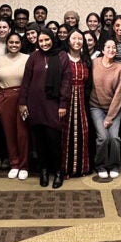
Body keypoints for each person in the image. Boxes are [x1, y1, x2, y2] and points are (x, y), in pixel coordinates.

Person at [20, 29, 72, 188]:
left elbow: (66, 81)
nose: (44, 43)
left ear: (52, 39)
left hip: (54, 104)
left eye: (47, 40)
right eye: (41, 41)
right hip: (35, 104)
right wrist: (22, 103)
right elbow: (26, 81)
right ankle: (43, 171)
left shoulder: (62, 55)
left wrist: (63, 103)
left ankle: (58, 172)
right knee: (39, 140)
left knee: (54, 140)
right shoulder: (33, 57)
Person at [0, 33, 31, 180]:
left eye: (17, 42)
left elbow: (31, 81)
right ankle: (14, 164)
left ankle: (24, 165)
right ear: (7, 44)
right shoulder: (0, 60)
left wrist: (28, 101)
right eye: (11, 42)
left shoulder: (27, 58)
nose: (14, 45)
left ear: (21, 44)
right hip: (4, 98)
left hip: (23, 99)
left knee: (23, 133)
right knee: (9, 133)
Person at [89, 38, 121, 179]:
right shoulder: (93, 63)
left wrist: (110, 117)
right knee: (103, 138)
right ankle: (100, 165)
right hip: (96, 107)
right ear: (103, 50)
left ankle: (114, 165)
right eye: (108, 47)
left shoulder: (120, 68)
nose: (111, 50)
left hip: (114, 108)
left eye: (114, 48)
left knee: (114, 138)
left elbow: (119, 94)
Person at [62, 29, 92, 178]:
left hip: (82, 102)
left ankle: (81, 168)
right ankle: (65, 169)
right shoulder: (62, 58)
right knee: (65, 135)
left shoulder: (86, 60)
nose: (77, 41)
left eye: (80, 39)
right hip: (64, 102)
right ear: (68, 40)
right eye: (74, 38)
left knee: (82, 133)